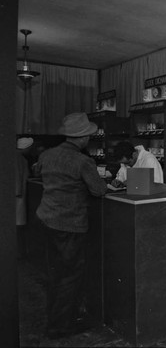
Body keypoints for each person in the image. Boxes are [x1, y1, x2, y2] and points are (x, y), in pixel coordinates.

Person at [33, 112, 107, 339]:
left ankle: (58, 317)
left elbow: (38, 173)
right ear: (83, 138)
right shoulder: (83, 161)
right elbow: (99, 190)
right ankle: (60, 326)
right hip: (70, 225)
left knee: (55, 272)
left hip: (46, 219)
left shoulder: (47, 154)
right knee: (70, 275)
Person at [16, 137, 34, 259]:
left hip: (17, 197)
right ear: (26, 148)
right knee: (18, 227)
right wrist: (18, 192)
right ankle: (19, 254)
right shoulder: (18, 158)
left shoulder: (17, 156)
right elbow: (17, 178)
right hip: (17, 198)